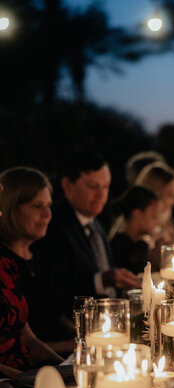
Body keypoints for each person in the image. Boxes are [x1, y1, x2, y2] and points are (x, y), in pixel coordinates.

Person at [36, 151, 140, 320]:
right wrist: (103, 279)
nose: (101, 194)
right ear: (68, 185)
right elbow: (55, 289)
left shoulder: (96, 225)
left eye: (105, 187)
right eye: (93, 186)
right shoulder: (52, 226)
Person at [0, 168, 63, 370]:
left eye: (48, 206)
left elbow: (29, 338)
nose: (47, 214)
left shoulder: (38, 259)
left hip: (32, 374)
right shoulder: (6, 262)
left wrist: (67, 370)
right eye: (37, 206)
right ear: (10, 207)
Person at [109, 186, 162, 273]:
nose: (157, 222)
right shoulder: (119, 244)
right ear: (136, 214)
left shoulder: (139, 243)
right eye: (153, 216)